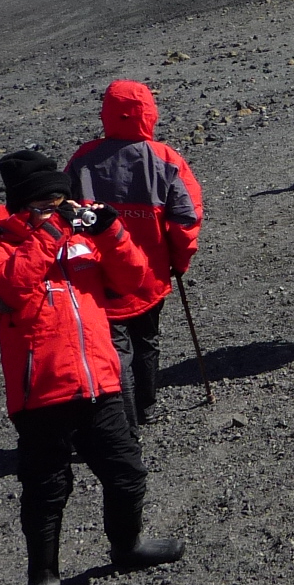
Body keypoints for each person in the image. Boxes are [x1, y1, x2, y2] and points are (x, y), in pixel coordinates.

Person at [0, 150, 184, 585]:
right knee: (47, 489)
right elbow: (5, 291)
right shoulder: (1, 240)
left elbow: (134, 282)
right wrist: (49, 235)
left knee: (127, 472)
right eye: (48, 202)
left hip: (99, 380)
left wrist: (111, 231)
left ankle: (127, 546)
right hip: (41, 392)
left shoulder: (83, 238)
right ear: (24, 207)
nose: (61, 209)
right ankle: (43, 578)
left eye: (63, 200)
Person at [65, 80, 204, 427]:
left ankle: (123, 418)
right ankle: (145, 407)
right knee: (146, 340)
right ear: (148, 113)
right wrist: (180, 262)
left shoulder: (83, 159)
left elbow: (65, 215)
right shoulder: (165, 158)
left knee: (116, 348)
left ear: (107, 114)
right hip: (151, 273)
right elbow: (186, 219)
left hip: (99, 275)